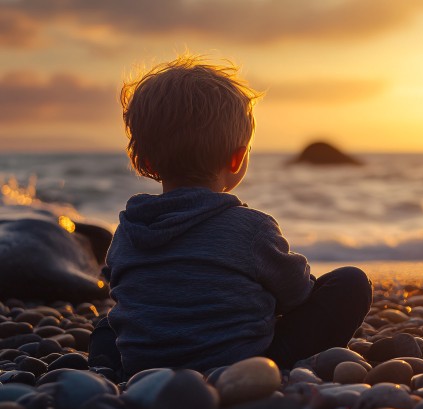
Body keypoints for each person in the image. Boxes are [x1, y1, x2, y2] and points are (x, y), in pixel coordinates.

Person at [88, 55, 372, 378]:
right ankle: (278, 370)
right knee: (351, 283)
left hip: (144, 364)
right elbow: (297, 293)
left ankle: (105, 371)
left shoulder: (129, 228)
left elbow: (122, 288)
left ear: (147, 162)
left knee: (107, 326)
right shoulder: (252, 229)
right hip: (241, 364)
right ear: (237, 159)